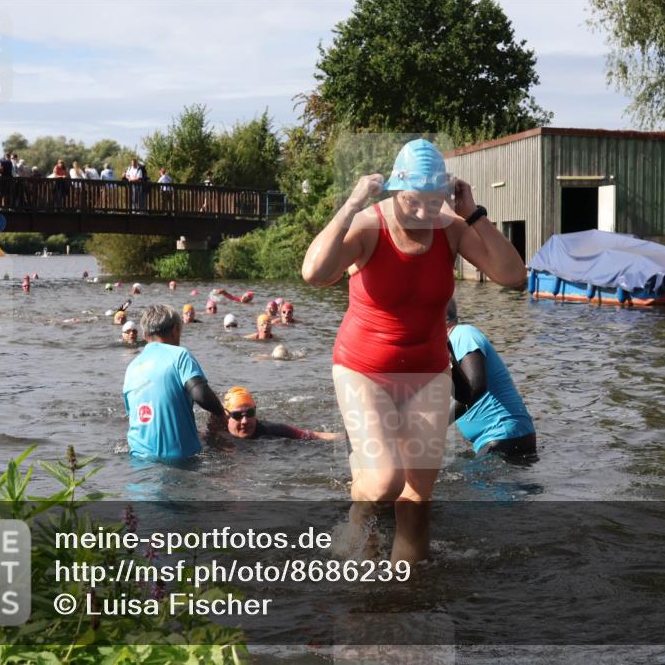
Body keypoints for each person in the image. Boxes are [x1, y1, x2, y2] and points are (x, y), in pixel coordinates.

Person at [301, 138, 526, 563]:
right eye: (412, 201)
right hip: (362, 369)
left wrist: (473, 214)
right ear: (393, 190)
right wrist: (350, 205)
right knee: (384, 481)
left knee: (417, 501)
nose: (424, 212)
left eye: (433, 199)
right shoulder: (369, 225)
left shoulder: (451, 227)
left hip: (427, 372)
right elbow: (314, 273)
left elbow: (512, 275)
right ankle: (358, 512)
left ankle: (408, 598)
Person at [122, 305, 227, 460]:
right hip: (179, 459)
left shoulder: (132, 367)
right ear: (175, 330)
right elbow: (201, 394)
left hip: (138, 459)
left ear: (145, 335)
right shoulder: (180, 355)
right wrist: (220, 413)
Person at [446, 299, 536, 462]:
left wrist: (439, 422)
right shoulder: (448, 347)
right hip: (504, 438)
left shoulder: (463, 334)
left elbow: (477, 386)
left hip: (502, 436)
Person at [215, 387, 340, 442]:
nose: (245, 421)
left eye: (250, 413)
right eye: (237, 416)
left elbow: (312, 435)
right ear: (227, 416)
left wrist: (349, 438)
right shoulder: (216, 435)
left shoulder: (271, 430)